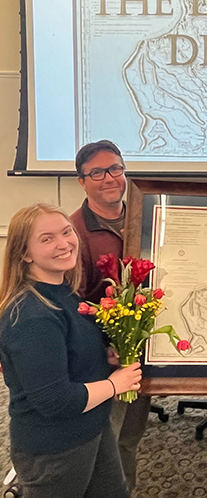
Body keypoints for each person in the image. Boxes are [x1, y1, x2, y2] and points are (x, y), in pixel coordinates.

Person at [0, 204, 141, 498]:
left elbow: (70, 356)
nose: (64, 243)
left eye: (66, 232)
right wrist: (115, 385)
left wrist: (105, 357)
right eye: (47, 238)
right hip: (55, 447)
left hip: (91, 426)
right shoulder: (31, 315)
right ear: (24, 254)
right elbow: (55, 401)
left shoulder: (61, 290)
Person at [70, 140, 150, 492]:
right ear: (82, 181)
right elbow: (72, 307)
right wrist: (106, 348)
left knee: (130, 437)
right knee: (107, 442)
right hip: (103, 359)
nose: (109, 178)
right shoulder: (73, 233)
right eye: (97, 172)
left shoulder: (146, 212)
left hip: (139, 347)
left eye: (115, 169)